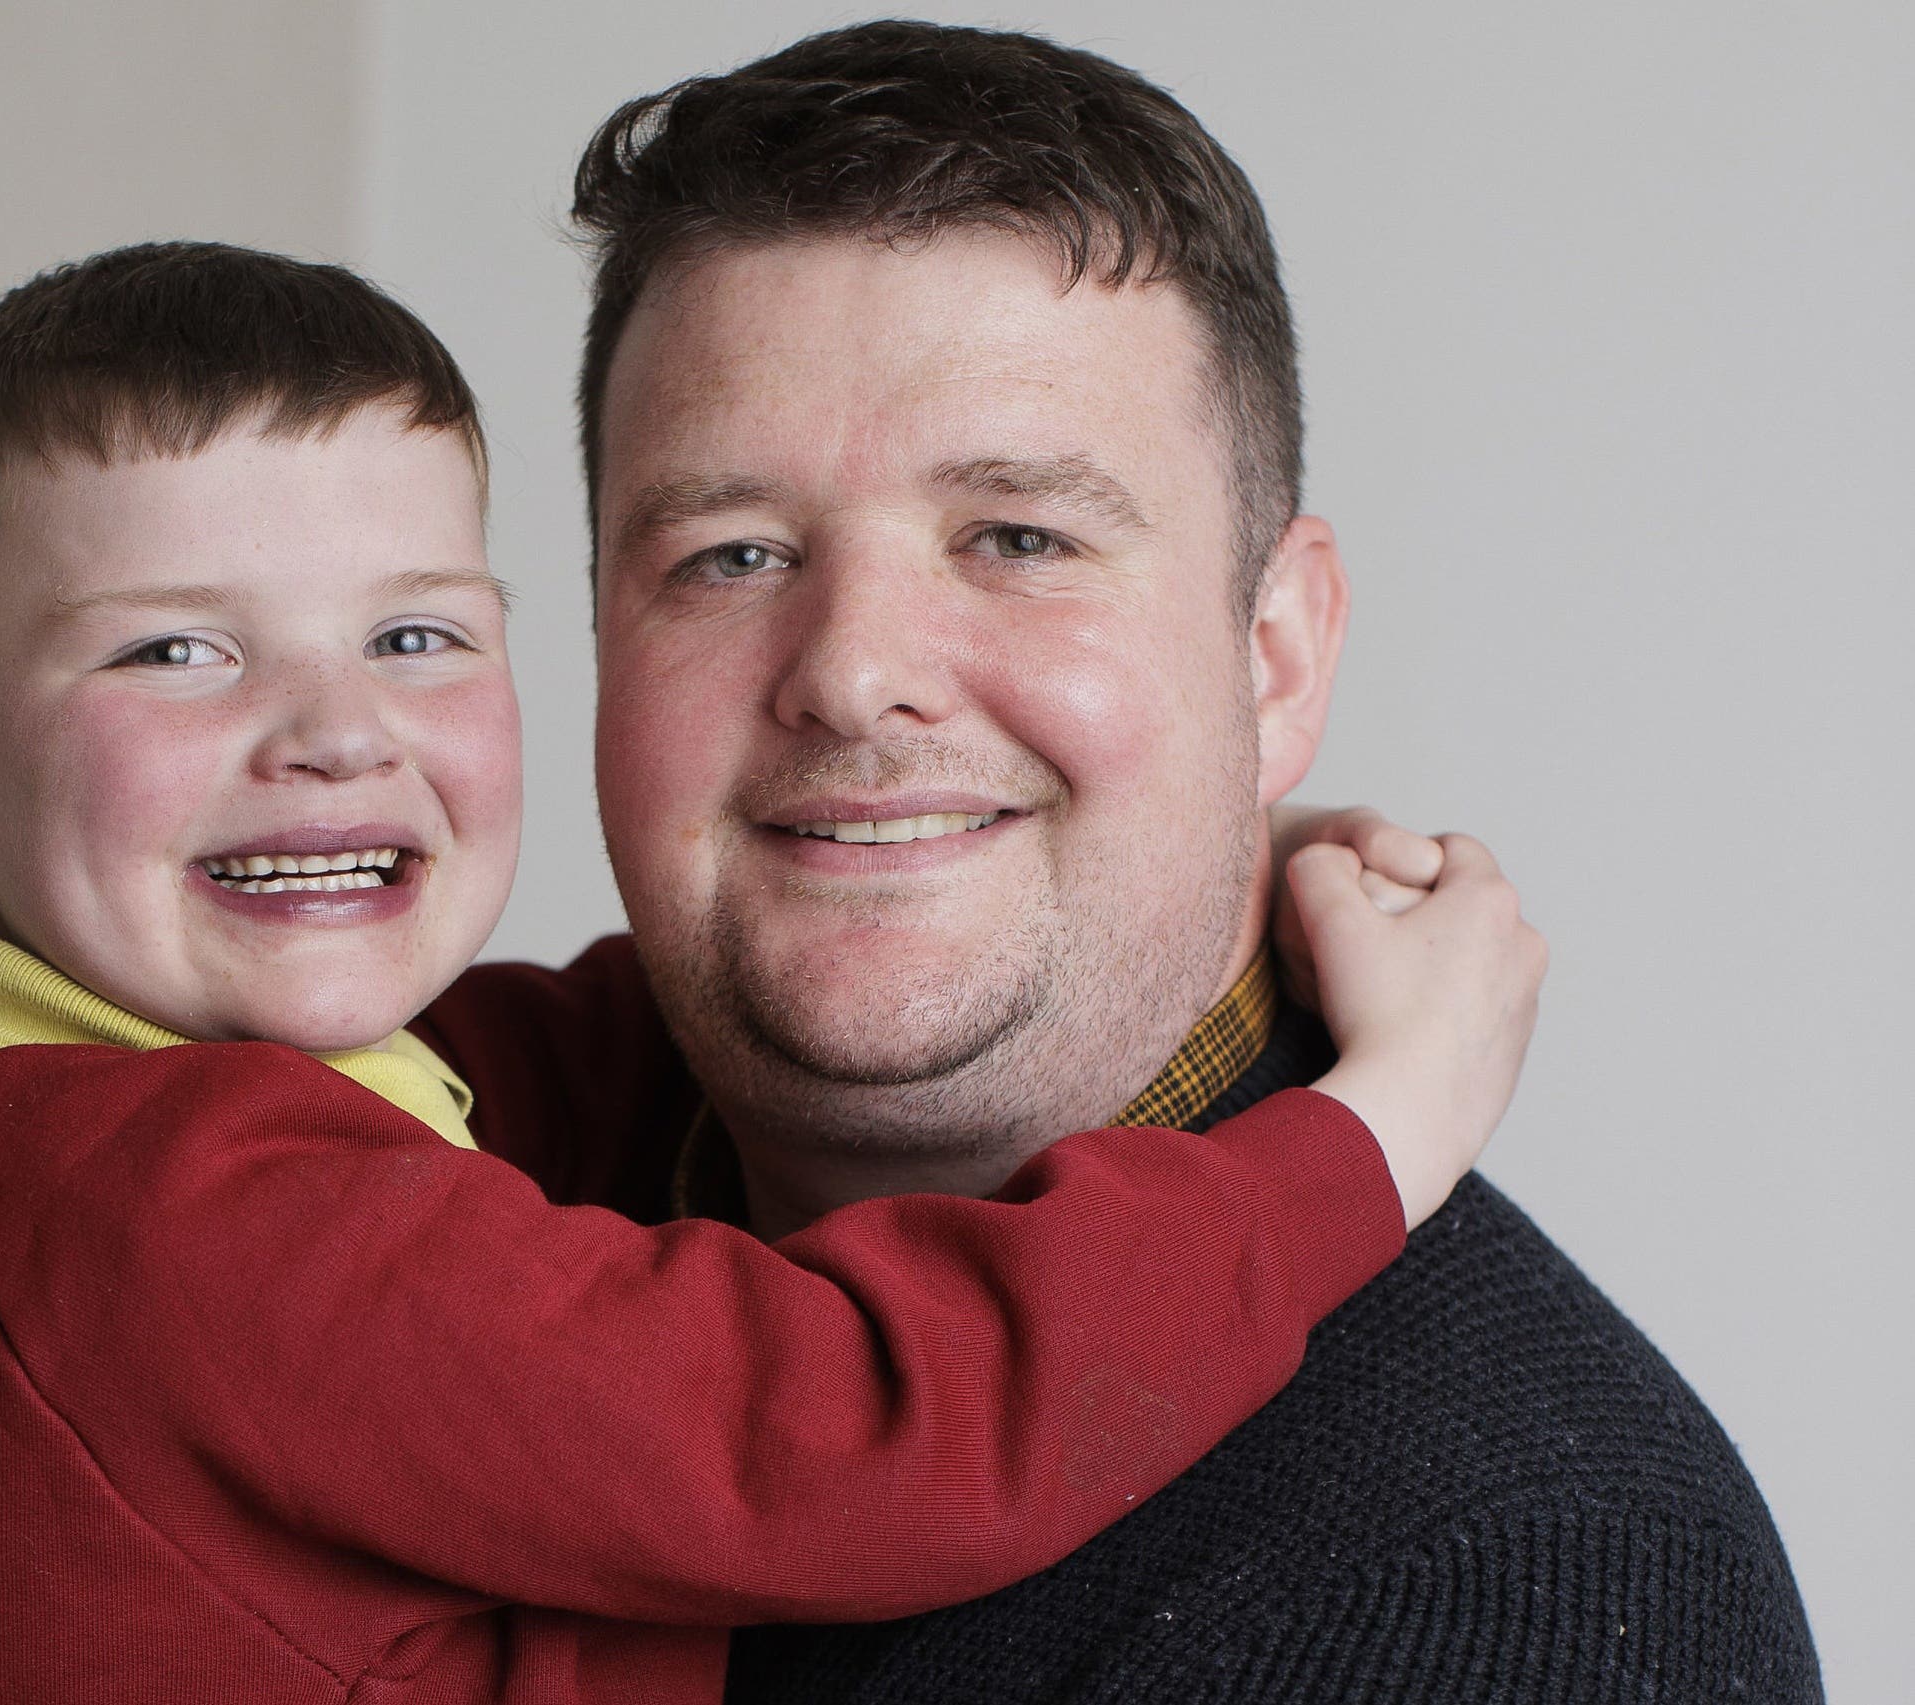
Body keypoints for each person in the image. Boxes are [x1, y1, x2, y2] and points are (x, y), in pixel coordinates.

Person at [0, 240, 1543, 1702]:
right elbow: (839, 1434)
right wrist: (1378, 1123)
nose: (333, 733)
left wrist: (1169, 836)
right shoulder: (161, 1207)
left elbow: (559, 1065)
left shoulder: (33, 1126)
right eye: (174, 650)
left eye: (414, 636)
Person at [467, 20, 1813, 1701]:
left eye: (1019, 537)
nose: (851, 668)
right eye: (728, 552)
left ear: (1276, 653)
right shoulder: (398, 1219)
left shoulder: (1506, 1568)